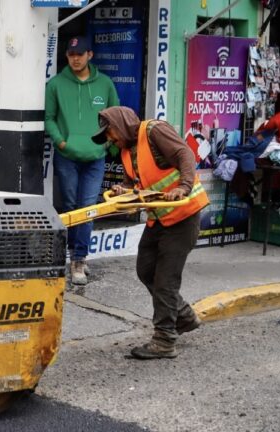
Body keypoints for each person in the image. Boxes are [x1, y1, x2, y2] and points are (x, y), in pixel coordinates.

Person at [92, 106, 210, 360]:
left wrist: (184, 186)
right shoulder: (126, 150)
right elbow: (135, 183)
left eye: (110, 132)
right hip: (159, 219)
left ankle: (165, 340)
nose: (110, 139)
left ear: (121, 124)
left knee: (166, 280)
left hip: (183, 216)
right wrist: (123, 189)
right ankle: (184, 316)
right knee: (146, 269)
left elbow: (185, 155)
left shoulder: (155, 131)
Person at [45, 36, 119, 285]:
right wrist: (61, 141)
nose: (75, 58)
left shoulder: (105, 84)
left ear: (90, 55)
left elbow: (115, 118)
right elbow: (50, 118)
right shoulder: (56, 84)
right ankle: (73, 255)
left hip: (95, 158)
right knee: (71, 207)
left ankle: (79, 259)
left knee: (87, 208)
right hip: (67, 156)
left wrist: (107, 144)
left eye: (79, 54)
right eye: (70, 54)